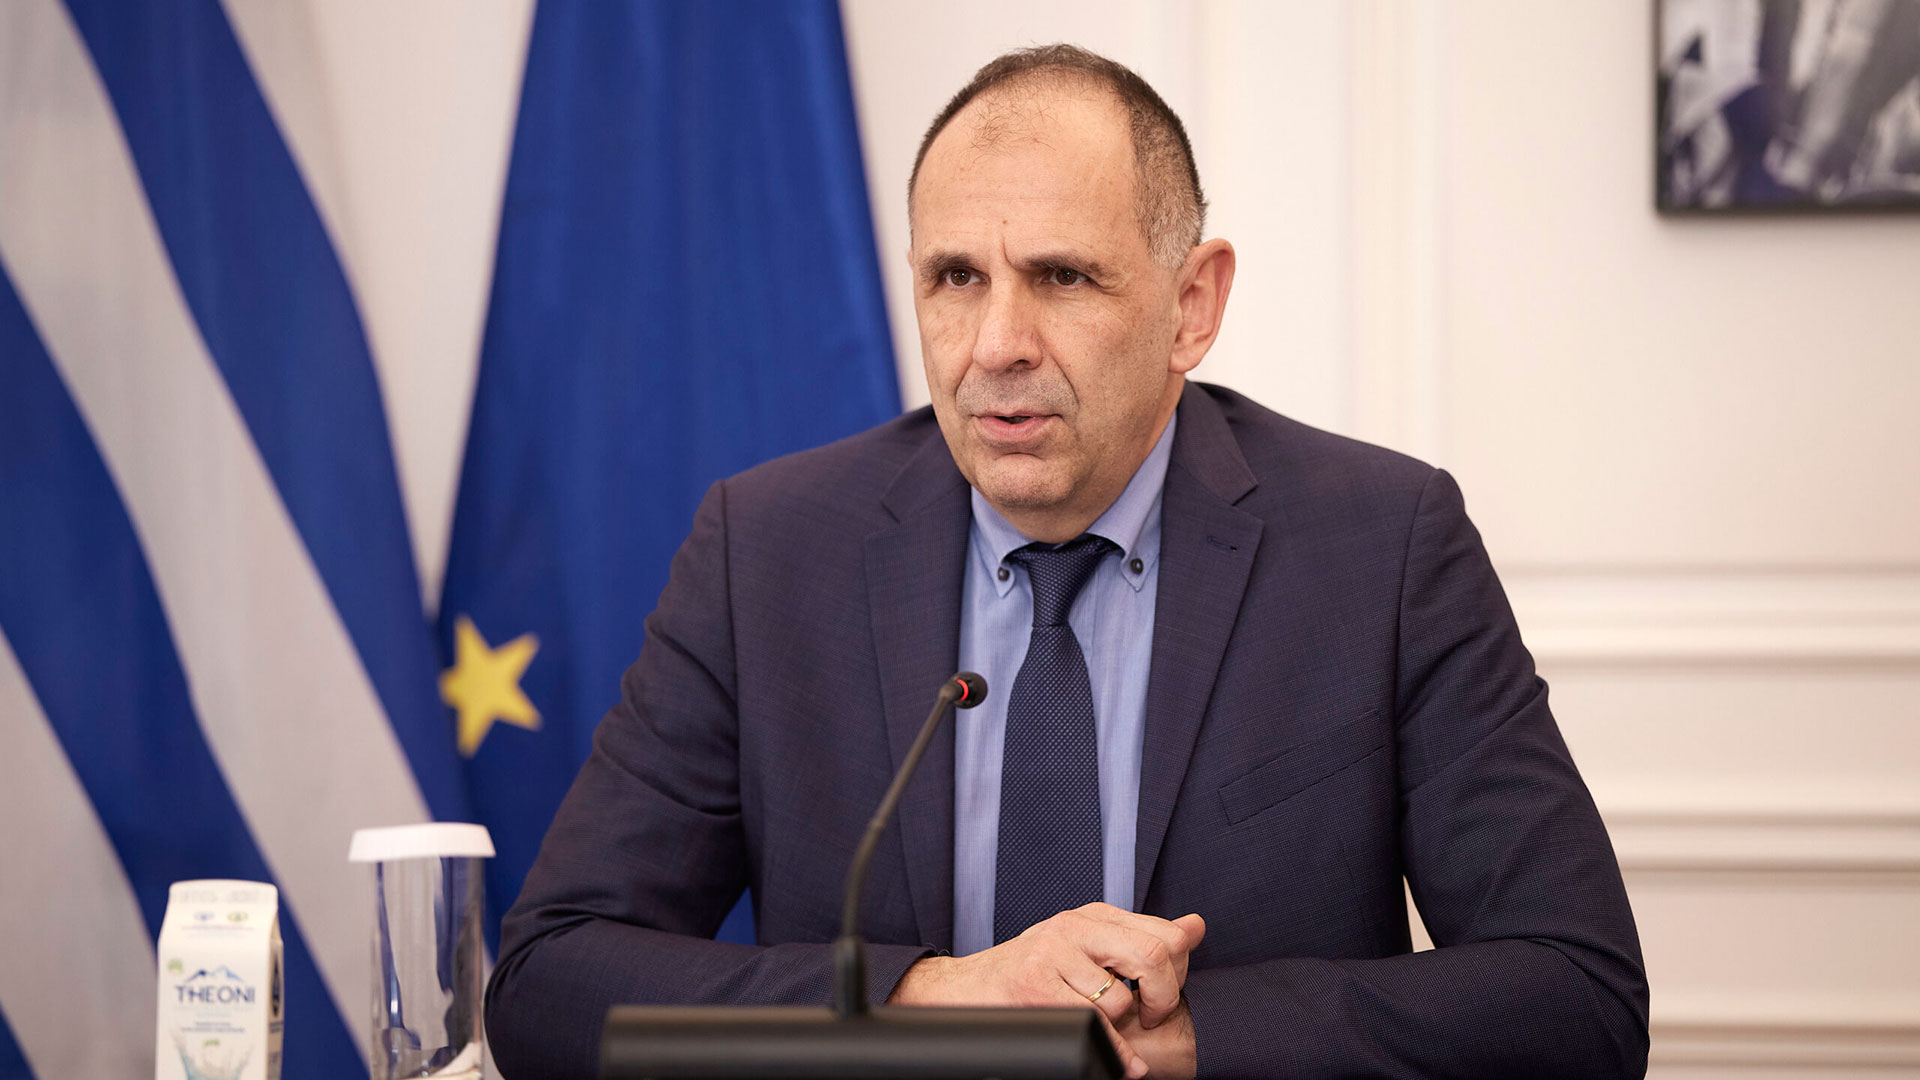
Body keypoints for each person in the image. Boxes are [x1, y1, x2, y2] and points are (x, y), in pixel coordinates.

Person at [486, 45, 1649, 1080]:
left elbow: (1577, 997)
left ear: (1192, 305)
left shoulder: (1381, 546)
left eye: (1062, 277)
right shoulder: (770, 552)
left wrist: (1193, 1038)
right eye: (956, 278)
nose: (997, 345)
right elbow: (547, 984)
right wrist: (928, 997)